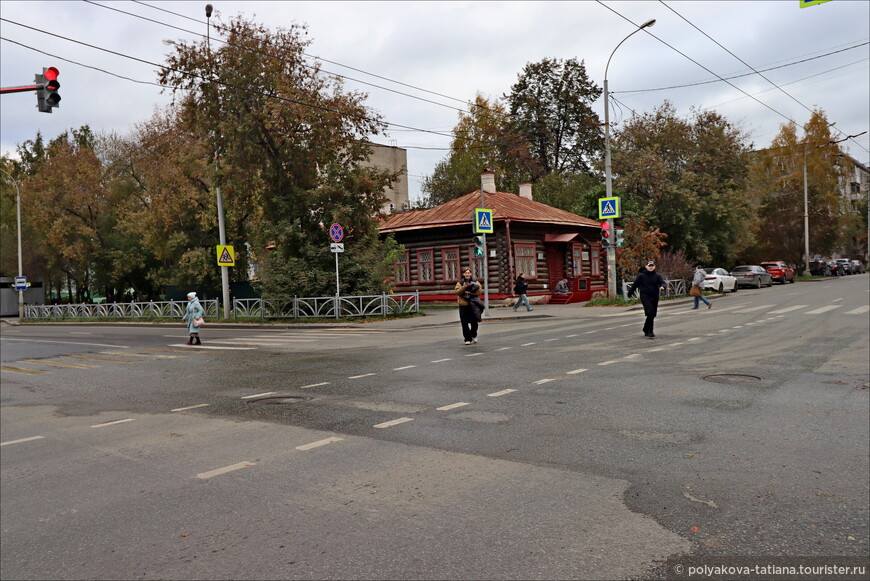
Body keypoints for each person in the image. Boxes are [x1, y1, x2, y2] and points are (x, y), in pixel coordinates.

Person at [626, 260, 666, 338]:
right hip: (645, 296)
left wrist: (663, 286)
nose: (651, 267)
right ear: (646, 266)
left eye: (652, 266)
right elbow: (635, 285)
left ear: (654, 267)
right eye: (649, 266)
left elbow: (662, 282)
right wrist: (630, 293)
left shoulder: (657, 276)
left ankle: (645, 329)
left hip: (654, 296)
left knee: (653, 314)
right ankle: (650, 331)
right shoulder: (641, 276)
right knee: (650, 312)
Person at [454, 268, 482, 345]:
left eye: (468, 273)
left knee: (474, 322)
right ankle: (467, 338)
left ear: (471, 274)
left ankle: (473, 335)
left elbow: (480, 291)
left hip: (473, 305)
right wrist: (463, 287)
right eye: (465, 273)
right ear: (463, 274)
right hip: (463, 305)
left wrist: (471, 291)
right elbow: (457, 292)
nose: (467, 274)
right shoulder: (460, 283)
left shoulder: (476, 282)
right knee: (464, 323)